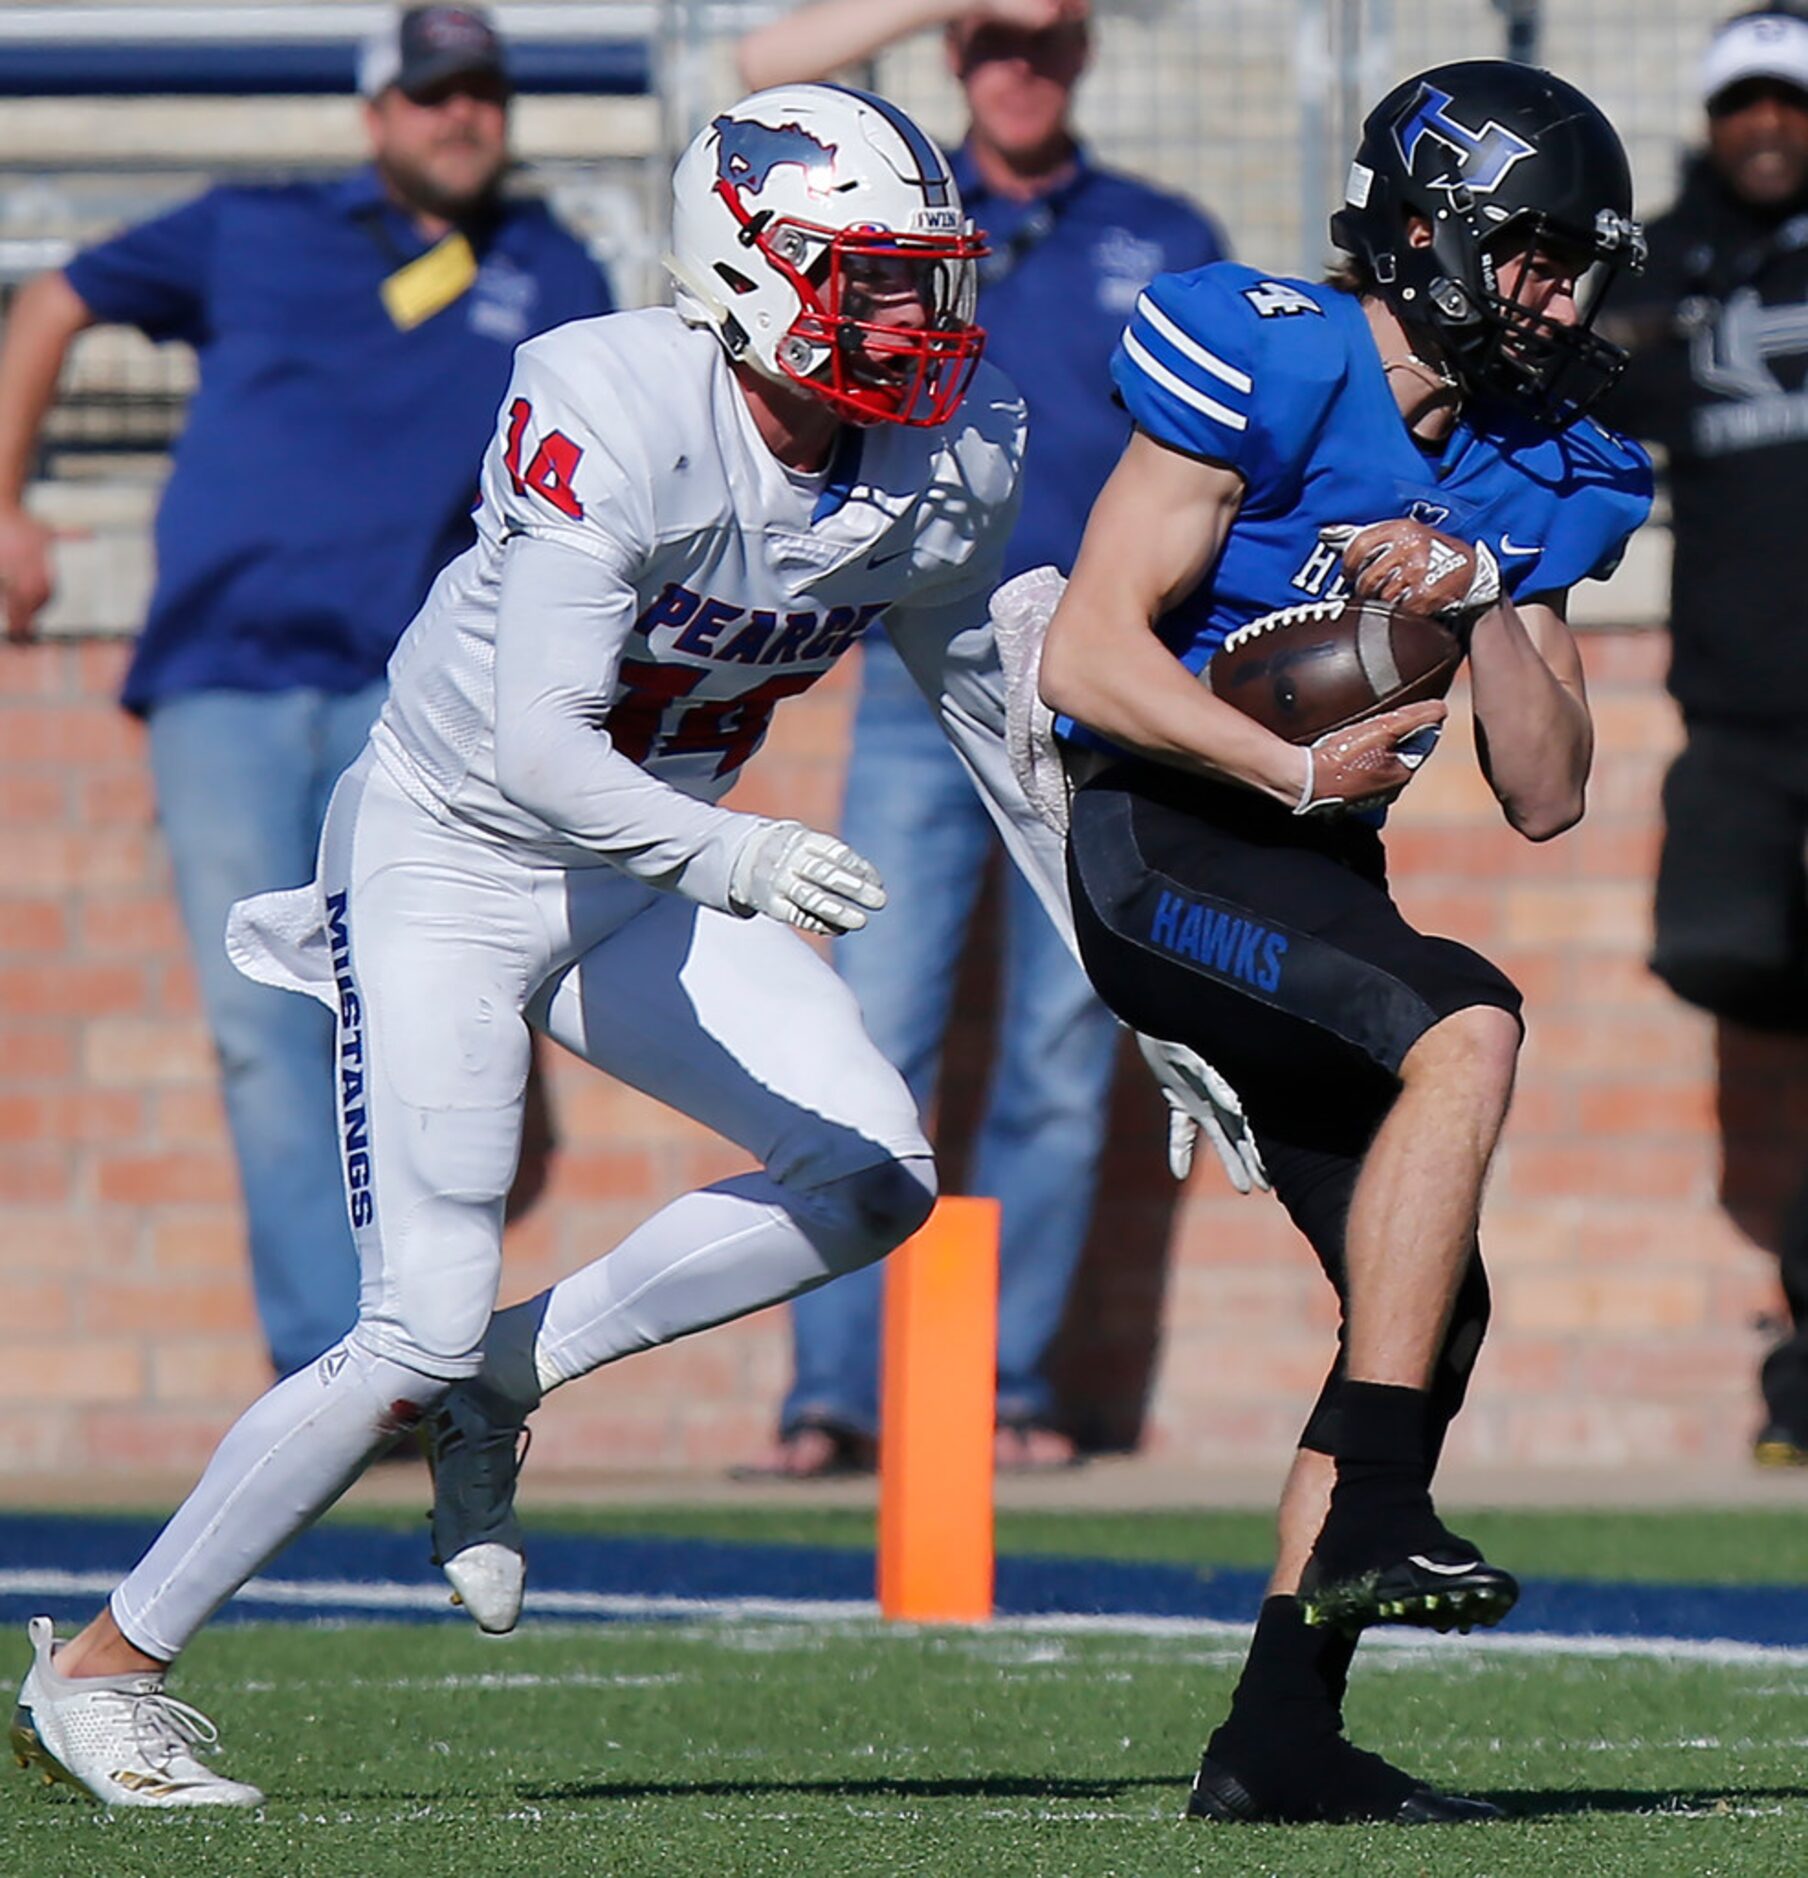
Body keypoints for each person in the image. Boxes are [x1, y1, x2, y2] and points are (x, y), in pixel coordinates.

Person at [9, 82, 1256, 1810]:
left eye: (927, 281)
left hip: (647, 871)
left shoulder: (947, 455)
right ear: (740, 268)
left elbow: (997, 729)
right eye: (867, 279)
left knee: (876, 1174)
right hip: (449, 851)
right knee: (408, 1321)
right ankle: (104, 1667)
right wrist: (737, 851)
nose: (914, 324)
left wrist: (1137, 979)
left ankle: (510, 1379)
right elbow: (535, 747)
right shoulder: (611, 392)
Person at [1036, 60, 1652, 1823]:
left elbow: (1545, 793)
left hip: (1317, 879)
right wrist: (1286, 758)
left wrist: (1488, 592)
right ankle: (1378, 1504)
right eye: (1529, 255)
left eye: (1572, 264)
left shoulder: (1548, 455)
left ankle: (1278, 1737)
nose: (1557, 296)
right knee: (1469, 1020)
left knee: (1431, 1304)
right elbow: (1088, 657)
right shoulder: (1272, 349)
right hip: (1164, 838)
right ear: (1430, 232)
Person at [0, 4, 609, 1380]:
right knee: (271, 1031)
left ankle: (397, 1334)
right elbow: (55, 298)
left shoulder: (552, 265)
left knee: (437, 1026)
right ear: (376, 113)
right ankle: (339, 1362)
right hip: (224, 681)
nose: (465, 117)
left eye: (487, 95)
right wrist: (5, 505)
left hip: (428, 711)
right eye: (435, 93)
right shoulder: (252, 228)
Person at [734, 0, 1230, 1476]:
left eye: (1051, 39)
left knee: (1065, 1057)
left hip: (1099, 684)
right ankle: (834, 1394)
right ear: (954, 51)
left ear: (1087, 58)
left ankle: (997, 1388)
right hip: (920, 663)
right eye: (997, 39)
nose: (1023, 64)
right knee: (866, 1021)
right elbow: (757, 87)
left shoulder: (1164, 224)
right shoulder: (894, 208)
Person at [1599, 7, 1808, 1466]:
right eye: (1745, 106)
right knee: (1713, 945)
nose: (1769, 129)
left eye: (1789, 106)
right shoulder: (1662, 260)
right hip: (1736, 709)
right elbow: (1591, 391)